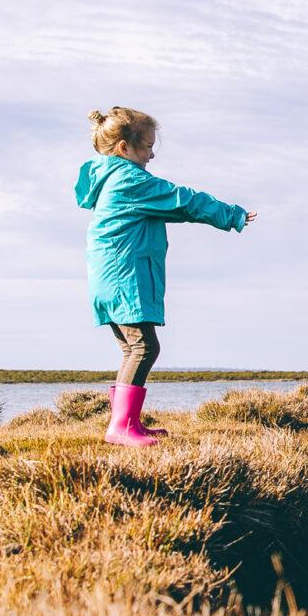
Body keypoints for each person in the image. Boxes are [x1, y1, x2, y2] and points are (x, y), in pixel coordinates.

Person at [75, 107, 256, 446]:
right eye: (146, 146)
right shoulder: (130, 180)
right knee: (144, 347)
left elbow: (174, 209)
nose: (152, 153)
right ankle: (120, 427)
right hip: (123, 276)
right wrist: (231, 214)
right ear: (124, 148)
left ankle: (128, 423)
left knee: (132, 349)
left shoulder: (111, 179)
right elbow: (181, 200)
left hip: (110, 278)